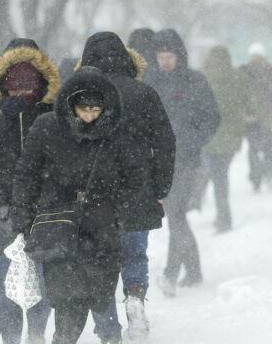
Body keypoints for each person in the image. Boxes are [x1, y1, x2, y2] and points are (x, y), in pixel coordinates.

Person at [11, 67, 147, 344]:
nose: (88, 116)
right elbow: (27, 173)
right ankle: (69, 338)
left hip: (102, 226)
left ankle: (108, 336)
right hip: (58, 224)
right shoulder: (48, 127)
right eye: (83, 109)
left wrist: (120, 212)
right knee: (66, 297)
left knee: (98, 294)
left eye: (95, 110)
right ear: (70, 105)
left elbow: (135, 177)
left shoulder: (117, 133)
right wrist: (23, 217)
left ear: (105, 108)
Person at [77, 31, 175, 343]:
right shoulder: (144, 92)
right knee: (135, 253)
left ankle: (107, 331)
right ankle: (134, 295)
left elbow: (67, 145)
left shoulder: (80, 95)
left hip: (94, 195)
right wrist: (160, 185)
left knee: (98, 263)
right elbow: (164, 142)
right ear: (126, 58)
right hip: (138, 187)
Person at [0, 38, 58, 344]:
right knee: (9, 280)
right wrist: (2, 119)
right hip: (4, 208)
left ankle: (36, 335)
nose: (20, 96)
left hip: (44, 207)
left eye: (27, 89)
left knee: (42, 283)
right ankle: (10, 338)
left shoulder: (51, 109)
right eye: (14, 88)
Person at [144, 29, 220, 297]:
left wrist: (192, 139)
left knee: (176, 214)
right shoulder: (149, 83)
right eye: (161, 56)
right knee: (177, 215)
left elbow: (212, 117)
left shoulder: (194, 81)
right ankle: (194, 270)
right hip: (159, 161)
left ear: (179, 56)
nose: (165, 61)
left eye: (170, 56)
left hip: (187, 160)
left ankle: (170, 274)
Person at [200, 45, 248, 233]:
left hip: (209, 137)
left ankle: (221, 215)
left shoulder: (203, 78)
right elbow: (246, 101)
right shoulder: (238, 77)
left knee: (213, 174)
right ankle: (223, 215)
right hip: (231, 137)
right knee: (221, 176)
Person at [241, 43, 272, 192]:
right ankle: (269, 175)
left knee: (253, 149)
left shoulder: (244, 72)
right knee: (268, 147)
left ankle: (256, 179)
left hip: (250, 119)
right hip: (266, 117)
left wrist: (244, 111)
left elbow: (237, 95)